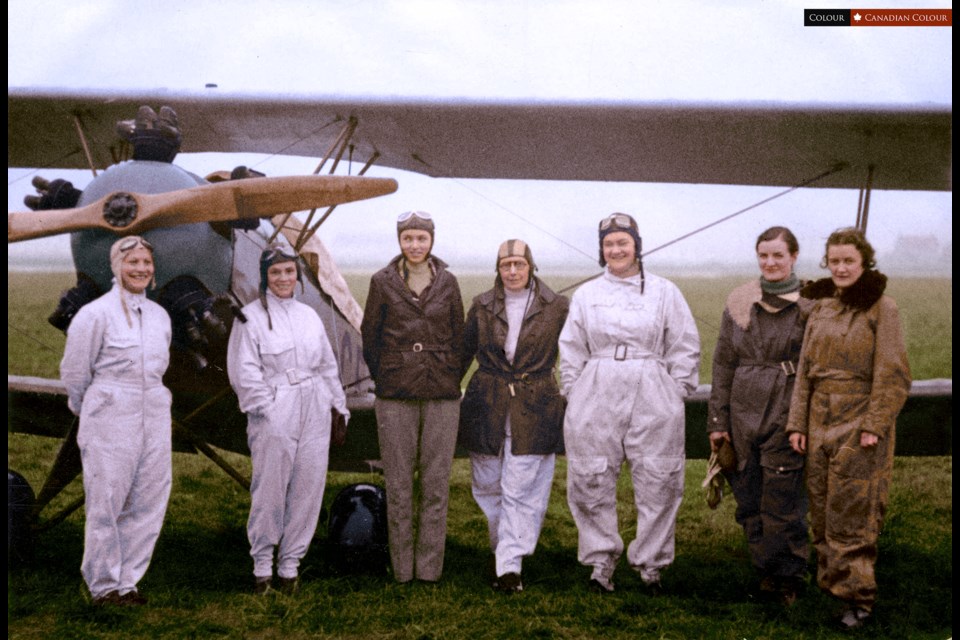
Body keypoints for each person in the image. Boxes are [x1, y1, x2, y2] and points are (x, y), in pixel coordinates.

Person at [559, 213, 700, 594]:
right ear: (601, 251)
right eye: (609, 244)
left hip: (651, 383)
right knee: (591, 476)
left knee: (658, 477)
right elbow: (571, 347)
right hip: (598, 382)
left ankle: (651, 566)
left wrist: (676, 389)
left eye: (623, 242)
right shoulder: (587, 295)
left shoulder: (664, 291)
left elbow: (684, 344)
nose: (616, 250)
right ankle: (600, 563)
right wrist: (575, 391)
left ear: (637, 245)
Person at [786, 227, 911, 630]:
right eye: (834, 261)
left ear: (864, 263)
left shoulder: (882, 308)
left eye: (848, 261)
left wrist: (875, 424)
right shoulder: (822, 308)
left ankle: (859, 598)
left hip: (859, 421)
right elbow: (805, 371)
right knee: (821, 508)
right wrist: (797, 424)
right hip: (818, 420)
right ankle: (831, 591)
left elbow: (892, 372)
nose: (840, 268)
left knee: (853, 510)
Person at [227, 243, 349, 595]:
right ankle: (262, 565)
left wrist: (338, 407)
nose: (283, 278)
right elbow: (244, 374)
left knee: (308, 487)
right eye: (276, 272)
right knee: (270, 488)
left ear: (297, 276)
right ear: (265, 276)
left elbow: (327, 365)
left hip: (315, 404)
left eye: (289, 271)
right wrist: (267, 411)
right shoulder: (249, 317)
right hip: (276, 404)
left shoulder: (309, 315)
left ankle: (290, 565)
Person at [60, 236, 172, 606]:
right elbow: (75, 374)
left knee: (148, 498)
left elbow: (159, 367)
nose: (141, 269)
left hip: (153, 409)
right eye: (133, 262)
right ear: (116, 266)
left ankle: (129, 581)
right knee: (107, 500)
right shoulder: (94, 314)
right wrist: (95, 410)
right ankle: (103, 585)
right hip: (110, 410)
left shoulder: (159, 317)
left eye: (146, 263)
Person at [707, 226, 812, 606]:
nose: (770, 263)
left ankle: (789, 578)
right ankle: (765, 572)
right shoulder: (739, 302)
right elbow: (722, 364)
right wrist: (718, 423)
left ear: (793, 257)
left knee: (782, 500)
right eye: (763, 255)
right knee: (748, 497)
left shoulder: (811, 305)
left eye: (778, 256)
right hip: (741, 411)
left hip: (787, 405)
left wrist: (802, 420)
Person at [459, 239, 570, 593]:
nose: (512, 271)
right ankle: (503, 551)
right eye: (505, 265)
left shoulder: (557, 307)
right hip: (487, 403)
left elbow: (574, 352)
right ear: (498, 268)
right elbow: (461, 354)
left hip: (535, 404)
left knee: (522, 488)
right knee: (488, 485)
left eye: (518, 264)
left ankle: (510, 568)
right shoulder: (481, 306)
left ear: (531, 267)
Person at [361, 211, 466, 584]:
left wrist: (446, 373)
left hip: (441, 395)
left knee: (436, 483)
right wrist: (391, 373)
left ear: (431, 240)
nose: (415, 245)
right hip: (395, 395)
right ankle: (402, 569)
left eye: (421, 238)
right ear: (399, 241)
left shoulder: (449, 283)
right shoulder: (381, 281)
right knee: (400, 483)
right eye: (408, 239)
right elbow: (369, 338)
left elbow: (460, 337)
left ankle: (429, 570)